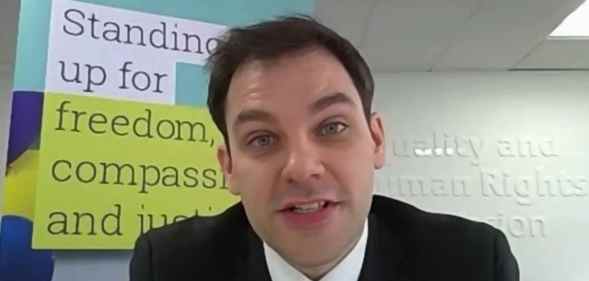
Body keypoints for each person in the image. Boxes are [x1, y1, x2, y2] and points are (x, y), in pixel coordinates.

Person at [130, 16, 519, 281]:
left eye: (332, 127)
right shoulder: (169, 267)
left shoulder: (473, 263)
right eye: (262, 139)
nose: (302, 168)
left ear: (376, 140)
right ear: (228, 166)